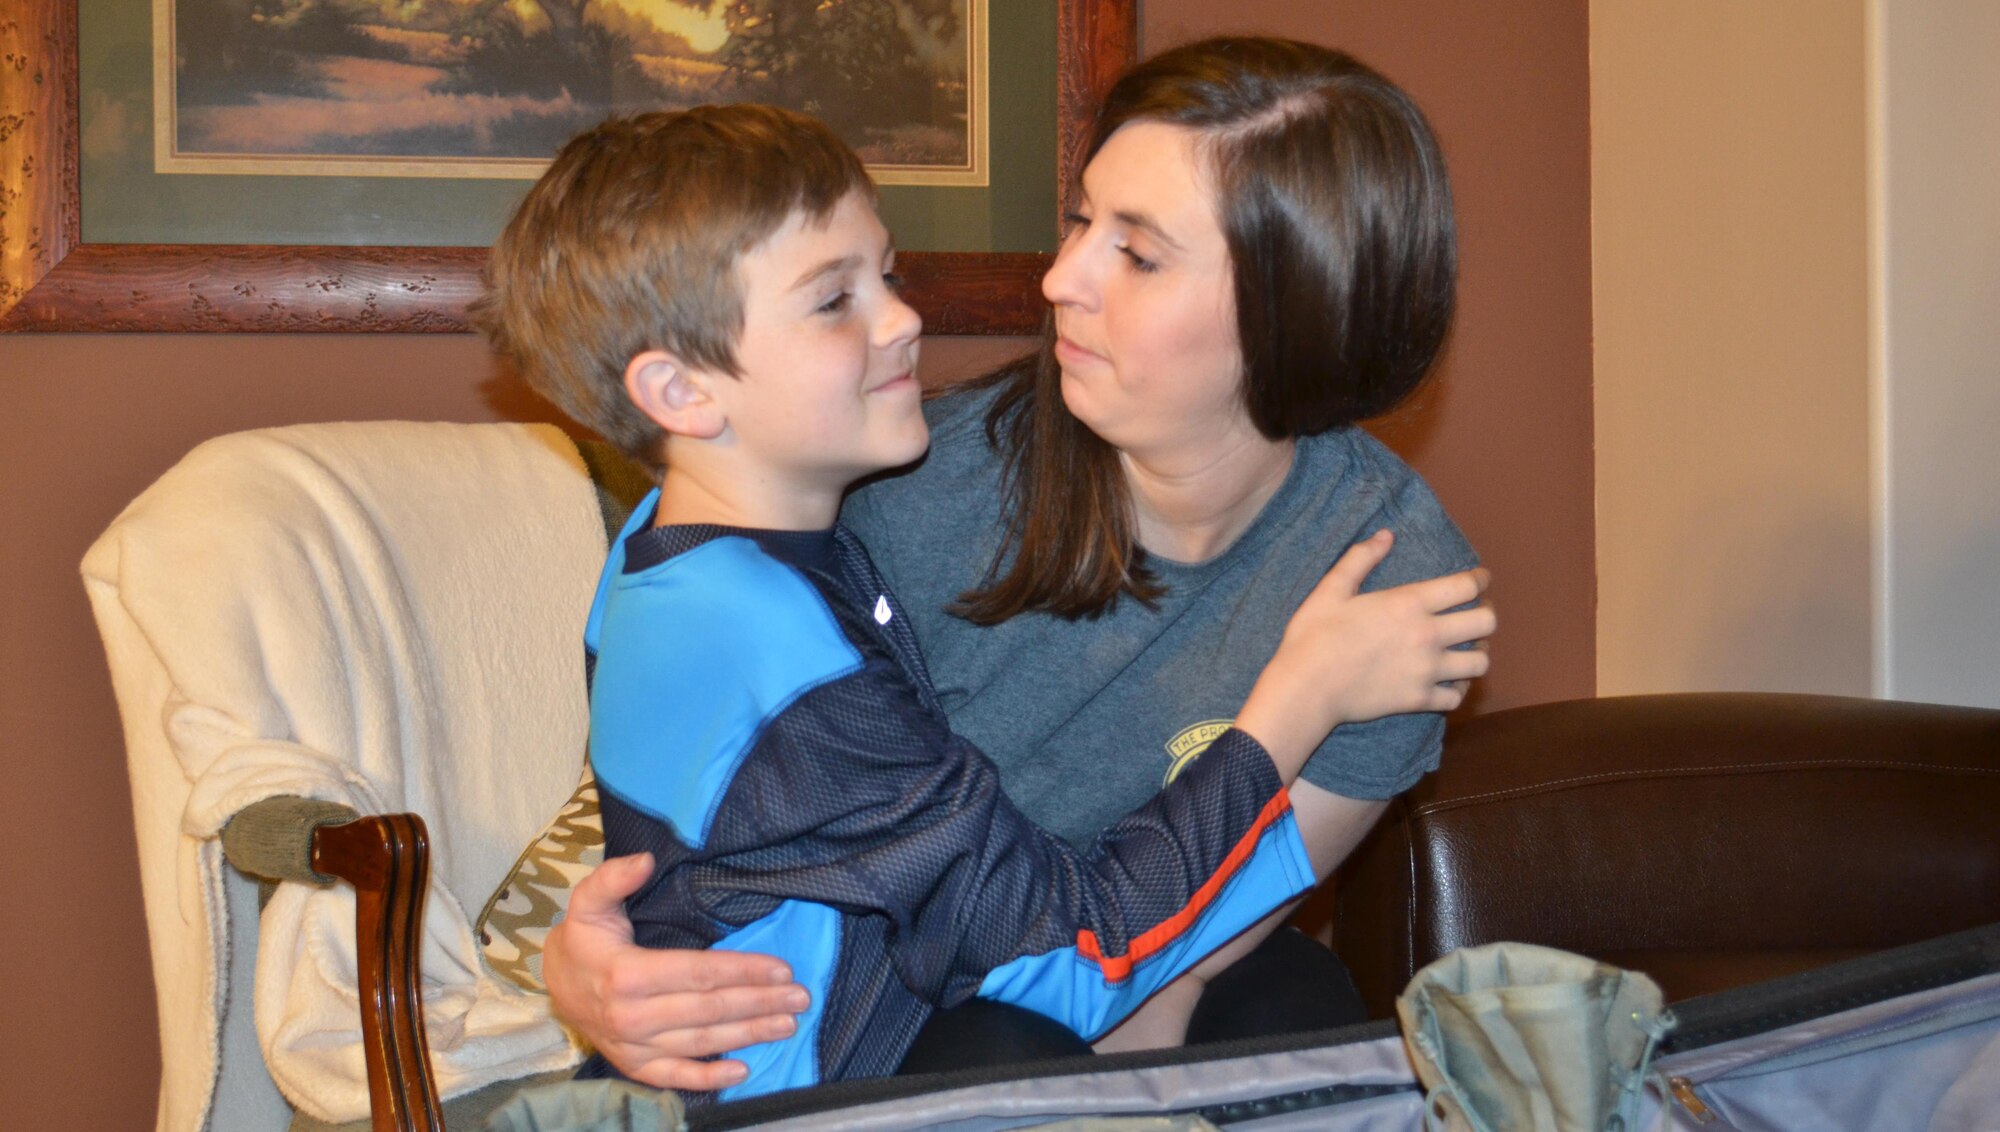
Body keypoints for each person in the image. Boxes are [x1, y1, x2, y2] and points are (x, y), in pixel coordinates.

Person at [475, 103, 1489, 1104]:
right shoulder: (865, 515)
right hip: (869, 1049)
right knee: (1011, 1046)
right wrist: (584, 963)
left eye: (1135, 253)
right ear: (682, 395)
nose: (1057, 279)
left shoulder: (1386, 572)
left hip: (1026, 958)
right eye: (1082, 221)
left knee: (1292, 1003)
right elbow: (1060, 948)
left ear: (1295, 307)